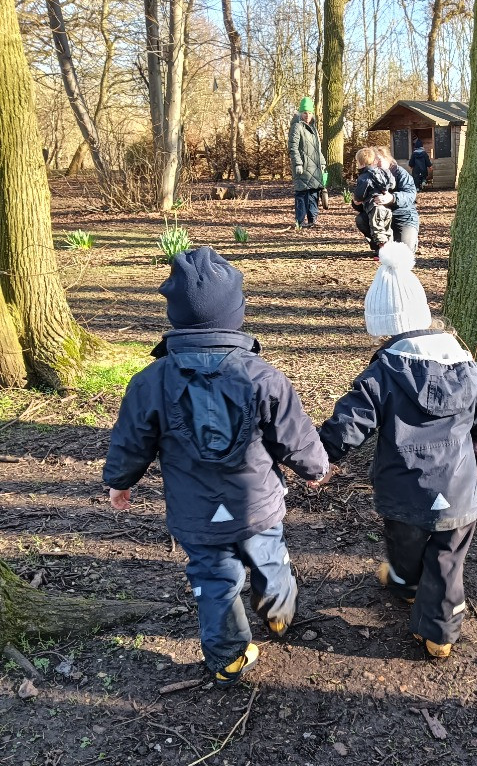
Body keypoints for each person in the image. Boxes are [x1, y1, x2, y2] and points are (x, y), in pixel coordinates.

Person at [103, 247, 329, 686]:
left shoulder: (151, 381)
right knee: (270, 557)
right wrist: (314, 468)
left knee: (213, 579)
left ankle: (227, 657)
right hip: (257, 505)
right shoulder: (263, 376)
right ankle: (278, 614)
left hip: (195, 514)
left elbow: (131, 439)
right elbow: (294, 434)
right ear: (235, 315)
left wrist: (119, 482)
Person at [318, 241, 477, 658]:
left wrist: (321, 458)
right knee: (448, 558)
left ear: (383, 327)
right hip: (456, 490)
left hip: (402, 490)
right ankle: (439, 633)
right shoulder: (470, 367)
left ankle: (404, 583)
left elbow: (350, 423)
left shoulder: (382, 372)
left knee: (405, 540)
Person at [353, 147, 419, 253]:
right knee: (361, 219)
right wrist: (356, 202)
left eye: (379, 159)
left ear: (387, 158)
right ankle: (379, 246)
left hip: (403, 217)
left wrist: (392, 198)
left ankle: (409, 241)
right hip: (380, 216)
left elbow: (410, 195)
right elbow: (362, 201)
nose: (377, 162)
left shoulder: (400, 173)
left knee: (405, 252)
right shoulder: (368, 175)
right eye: (375, 160)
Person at [288, 96, 325, 230]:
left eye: (309, 112)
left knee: (314, 194)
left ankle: (312, 220)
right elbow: (293, 147)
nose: (307, 115)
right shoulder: (296, 127)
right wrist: (297, 163)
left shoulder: (313, 128)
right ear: (300, 113)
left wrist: (322, 162)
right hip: (302, 168)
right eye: (305, 112)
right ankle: (300, 221)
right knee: (302, 195)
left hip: (314, 167)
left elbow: (318, 149)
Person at [352, 146, 396, 250]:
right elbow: (392, 184)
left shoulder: (364, 177)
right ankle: (390, 249)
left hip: (374, 207)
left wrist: (357, 199)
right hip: (386, 207)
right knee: (387, 229)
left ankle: (383, 251)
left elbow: (360, 194)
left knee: (377, 229)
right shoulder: (384, 172)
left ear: (361, 163)